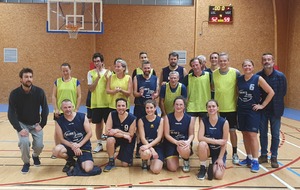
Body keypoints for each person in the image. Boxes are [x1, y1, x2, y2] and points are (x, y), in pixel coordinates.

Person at [8, 68, 49, 174]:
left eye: (30, 77)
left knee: (39, 146)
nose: (28, 79)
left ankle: (35, 155)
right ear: (21, 79)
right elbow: (11, 114)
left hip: (36, 124)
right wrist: (19, 129)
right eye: (26, 77)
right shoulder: (14, 94)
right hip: (22, 124)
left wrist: (42, 124)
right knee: (24, 142)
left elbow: (45, 109)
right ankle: (26, 163)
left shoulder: (39, 92)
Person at [237, 59, 274, 173]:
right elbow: (238, 93)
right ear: (242, 67)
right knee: (245, 134)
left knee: (252, 135)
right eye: (245, 66)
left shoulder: (258, 78)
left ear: (252, 67)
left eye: (249, 65)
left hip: (253, 111)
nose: (247, 67)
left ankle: (255, 161)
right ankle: (248, 157)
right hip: (241, 110)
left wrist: (262, 105)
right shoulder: (239, 79)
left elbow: (271, 92)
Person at [52, 99, 101, 176]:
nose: (68, 109)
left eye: (69, 107)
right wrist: (73, 146)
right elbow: (61, 139)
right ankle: (70, 161)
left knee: (88, 169)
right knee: (56, 150)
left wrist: (79, 145)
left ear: (73, 107)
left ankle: (79, 161)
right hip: (69, 146)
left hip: (83, 146)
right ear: (61, 109)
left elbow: (89, 133)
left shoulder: (82, 116)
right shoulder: (59, 121)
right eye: (65, 107)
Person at [257, 53, 287, 168]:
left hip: (276, 110)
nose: (266, 62)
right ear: (262, 62)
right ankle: (264, 155)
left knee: (275, 134)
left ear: (273, 62)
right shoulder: (258, 76)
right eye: (264, 60)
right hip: (263, 110)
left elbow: (283, 92)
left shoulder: (281, 76)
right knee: (263, 134)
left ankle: (274, 156)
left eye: (269, 59)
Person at [212, 52, 240, 164]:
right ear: (218, 62)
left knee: (232, 132)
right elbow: (213, 87)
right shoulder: (214, 74)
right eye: (221, 61)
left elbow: (239, 88)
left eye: (225, 60)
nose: (222, 63)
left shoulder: (236, 73)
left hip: (232, 108)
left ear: (228, 61)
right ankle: (220, 153)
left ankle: (234, 153)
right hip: (219, 110)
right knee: (219, 133)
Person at [197, 100, 229, 180]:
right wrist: (216, 141)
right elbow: (200, 137)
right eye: (209, 107)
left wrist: (220, 158)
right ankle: (203, 167)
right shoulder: (203, 121)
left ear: (217, 108)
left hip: (218, 152)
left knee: (218, 175)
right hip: (207, 150)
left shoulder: (224, 122)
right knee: (202, 144)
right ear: (206, 109)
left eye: (213, 106)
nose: (211, 108)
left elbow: (224, 142)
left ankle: (212, 163)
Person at [51, 63, 81, 147]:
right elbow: (54, 95)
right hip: (60, 111)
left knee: (73, 130)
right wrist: (56, 108)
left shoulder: (75, 81)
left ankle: (73, 147)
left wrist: (76, 109)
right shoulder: (57, 82)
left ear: (70, 70)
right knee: (58, 131)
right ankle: (57, 148)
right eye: (63, 71)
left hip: (71, 110)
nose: (65, 73)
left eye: (67, 70)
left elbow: (79, 96)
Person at [103, 98, 137, 172]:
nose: (121, 108)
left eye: (123, 105)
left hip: (128, 140)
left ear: (126, 107)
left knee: (125, 164)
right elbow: (107, 132)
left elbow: (131, 134)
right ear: (116, 107)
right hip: (120, 138)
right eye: (118, 106)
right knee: (110, 140)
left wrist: (117, 130)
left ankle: (124, 154)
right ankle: (111, 161)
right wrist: (124, 135)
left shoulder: (132, 118)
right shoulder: (112, 114)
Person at [164, 96, 195, 172]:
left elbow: (191, 134)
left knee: (183, 149)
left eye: (181, 104)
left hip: (183, 143)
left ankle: (186, 160)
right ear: (173, 105)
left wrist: (188, 142)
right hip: (172, 143)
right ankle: (169, 158)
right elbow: (166, 134)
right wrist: (176, 142)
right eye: (176, 104)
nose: (178, 106)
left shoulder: (190, 118)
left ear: (184, 106)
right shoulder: (167, 117)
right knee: (173, 168)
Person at [87, 53, 111, 153]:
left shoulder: (109, 73)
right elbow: (91, 89)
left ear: (102, 62)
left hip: (107, 103)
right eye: (95, 61)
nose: (96, 63)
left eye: (98, 61)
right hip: (96, 103)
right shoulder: (90, 73)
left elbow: (111, 87)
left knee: (109, 125)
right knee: (98, 125)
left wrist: (106, 78)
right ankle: (100, 144)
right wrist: (97, 78)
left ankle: (110, 144)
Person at [182, 57, 211, 125]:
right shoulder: (188, 77)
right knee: (190, 128)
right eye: (193, 66)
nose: (195, 67)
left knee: (203, 129)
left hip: (204, 106)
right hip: (191, 107)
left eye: (196, 65)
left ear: (201, 65)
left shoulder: (209, 75)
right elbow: (181, 88)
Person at [138, 100, 164, 174]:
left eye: (151, 107)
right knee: (146, 152)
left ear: (155, 108)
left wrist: (152, 148)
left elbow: (159, 138)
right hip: (145, 146)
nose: (149, 110)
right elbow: (142, 138)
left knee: (156, 170)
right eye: (147, 108)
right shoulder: (141, 120)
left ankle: (153, 160)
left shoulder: (161, 120)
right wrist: (151, 149)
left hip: (157, 146)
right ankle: (145, 160)